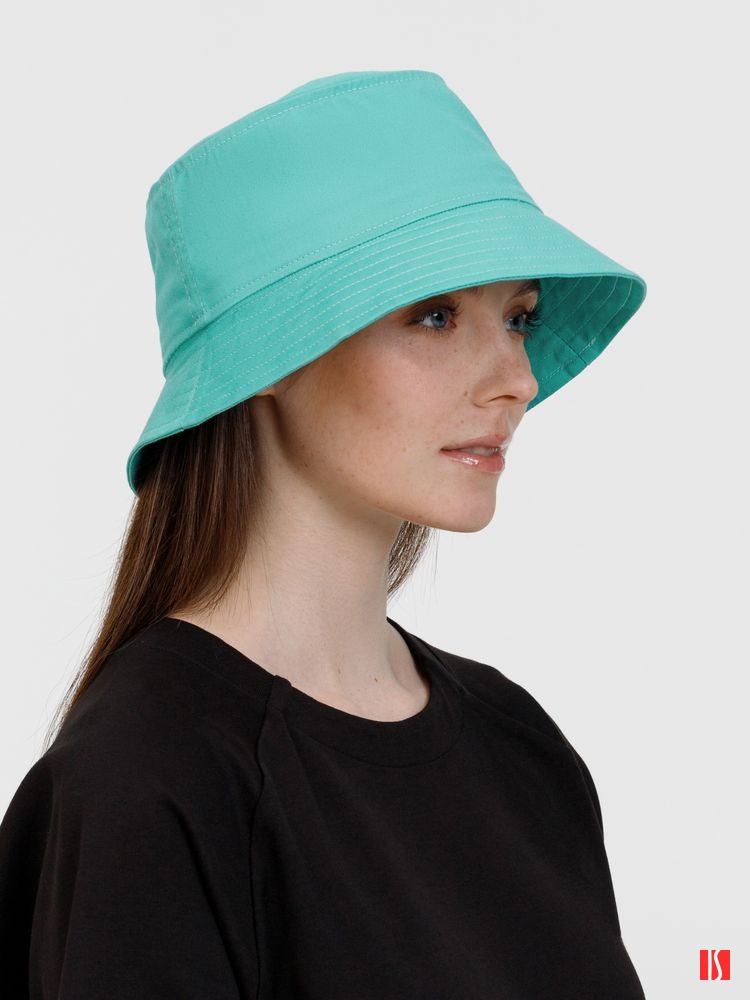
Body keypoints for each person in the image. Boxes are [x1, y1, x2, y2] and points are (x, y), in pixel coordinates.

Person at [0, 69, 648, 998]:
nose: (517, 378)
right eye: (435, 315)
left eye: (518, 318)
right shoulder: (146, 780)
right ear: (265, 356)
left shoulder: (520, 748)